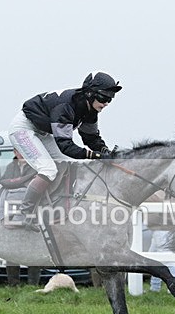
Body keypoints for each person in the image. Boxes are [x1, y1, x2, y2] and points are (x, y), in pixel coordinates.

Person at [7, 71, 121, 230]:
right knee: (48, 170)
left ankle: (52, 203)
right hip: (24, 129)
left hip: (43, 132)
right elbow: (66, 146)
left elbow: (90, 138)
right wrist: (95, 155)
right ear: (89, 93)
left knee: (69, 163)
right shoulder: (66, 107)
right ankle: (23, 214)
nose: (106, 103)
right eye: (103, 98)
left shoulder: (89, 110)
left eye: (110, 99)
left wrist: (105, 151)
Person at [0, 149, 41, 285]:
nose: (20, 154)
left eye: (22, 151)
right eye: (18, 151)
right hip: (12, 210)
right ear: (15, 152)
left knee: (33, 249)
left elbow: (32, 186)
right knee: (12, 250)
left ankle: (33, 284)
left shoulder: (35, 166)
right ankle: (13, 283)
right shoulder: (11, 166)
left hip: (32, 210)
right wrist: (22, 181)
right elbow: (3, 182)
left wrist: (16, 182)